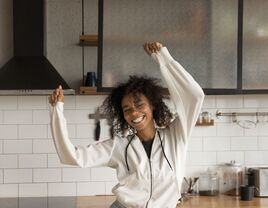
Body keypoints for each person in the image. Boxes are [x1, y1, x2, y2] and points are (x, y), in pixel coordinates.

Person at [49, 42, 204, 208]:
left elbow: (194, 96)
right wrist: (56, 110)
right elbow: (71, 156)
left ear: (152, 104)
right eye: (127, 109)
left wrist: (163, 59)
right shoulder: (119, 146)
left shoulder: (176, 136)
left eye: (139, 105)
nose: (134, 113)